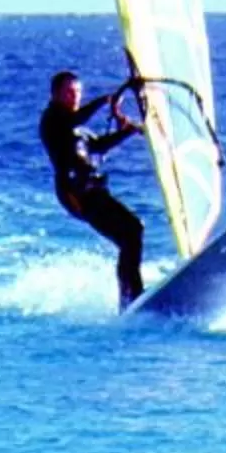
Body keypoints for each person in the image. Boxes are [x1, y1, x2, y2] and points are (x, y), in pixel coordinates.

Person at [39, 70, 147, 306]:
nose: (74, 97)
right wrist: (104, 101)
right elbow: (74, 119)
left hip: (94, 191)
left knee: (130, 236)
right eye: (69, 92)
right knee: (133, 230)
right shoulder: (52, 121)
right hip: (77, 194)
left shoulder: (78, 130)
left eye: (77, 92)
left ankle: (130, 298)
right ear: (55, 94)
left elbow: (98, 146)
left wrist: (128, 131)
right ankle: (133, 296)